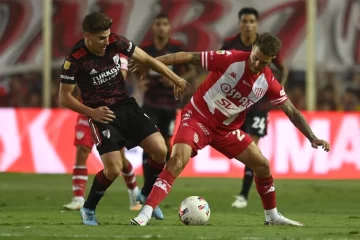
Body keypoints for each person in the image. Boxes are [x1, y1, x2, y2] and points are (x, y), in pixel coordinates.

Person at [129, 32, 330, 226]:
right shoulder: (231, 59)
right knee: (177, 160)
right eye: (256, 58)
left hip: (225, 130)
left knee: (262, 165)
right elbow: (187, 57)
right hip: (198, 117)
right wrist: (150, 62)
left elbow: (292, 111)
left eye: (264, 62)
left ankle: (272, 216)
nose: (257, 64)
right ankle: (146, 212)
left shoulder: (268, 82)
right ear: (252, 49)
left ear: (272, 60)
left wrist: (312, 137)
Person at [59, 12, 187, 226]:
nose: (106, 41)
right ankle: (88, 208)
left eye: (108, 36)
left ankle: (145, 194)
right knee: (113, 169)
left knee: (161, 150)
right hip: (101, 114)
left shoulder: (115, 42)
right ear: (88, 36)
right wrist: (92, 113)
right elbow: (63, 97)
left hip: (126, 106)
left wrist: (175, 78)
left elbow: (146, 58)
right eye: (101, 38)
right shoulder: (75, 60)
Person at [221, 7, 289, 209]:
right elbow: (221, 68)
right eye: (245, 21)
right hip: (236, 104)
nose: (248, 24)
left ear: (257, 24)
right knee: (239, 146)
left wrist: (277, 91)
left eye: (252, 21)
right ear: (240, 23)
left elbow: (283, 68)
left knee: (253, 147)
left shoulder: (264, 44)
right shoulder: (230, 44)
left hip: (258, 104)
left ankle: (243, 195)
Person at [63, 54, 142, 211]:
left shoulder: (119, 54)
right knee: (82, 150)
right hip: (87, 110)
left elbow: (121, 79)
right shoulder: (81, 54)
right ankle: (78, 198)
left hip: (109, 113)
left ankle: (134, 192)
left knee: (120, 159)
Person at [139, 13, 196, 200]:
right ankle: (148, 184)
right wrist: (140, 81)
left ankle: (159, 181)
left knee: (165, 145)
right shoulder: (146, 48)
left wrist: (176, 81)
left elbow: (192, 71)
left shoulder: (177, 48)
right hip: (151, 102)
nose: (161, 27)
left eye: (165, 24)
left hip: (170, 103)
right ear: (153, 27)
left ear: (170, 27)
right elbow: (136, 68)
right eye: (158, 24)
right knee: (150, 143)